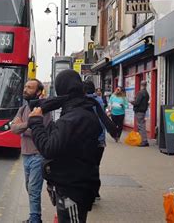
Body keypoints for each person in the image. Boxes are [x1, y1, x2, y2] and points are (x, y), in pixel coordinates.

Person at [28, 70, 107, 223]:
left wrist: (36, 123)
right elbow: (64, 142)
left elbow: (49, 148)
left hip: (72, 189)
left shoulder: (73, 118)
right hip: (76, 184)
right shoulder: (82, 110)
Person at [11, 79, 51, 223]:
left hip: (37, 155)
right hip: (26, 154)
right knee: (29, 188)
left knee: (33, 189)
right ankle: (35, 217)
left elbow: (40, 132)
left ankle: (35, 220)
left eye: (30, 87)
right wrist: (30, 123)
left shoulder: (43, 109)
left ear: (38, 92)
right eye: (25, 86)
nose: (25, 89)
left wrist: (22, 126)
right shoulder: (23, 109)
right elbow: (13, 129)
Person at [83, 81, 119, 202]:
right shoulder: (98, 100)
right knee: (95, 166)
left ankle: (88, 192)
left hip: (87, 139)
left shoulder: (82, 101)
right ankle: (95, 192)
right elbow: (103, 118)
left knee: (86, 166)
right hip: (100, 139)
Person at [130, 81, 150, 147]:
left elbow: (137, 103)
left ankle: (144, 141)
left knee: (141, 126)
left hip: (139, 111)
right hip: (143, 111)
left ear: (141, 85)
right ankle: (143, 140)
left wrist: (131, 102)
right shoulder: (146, 93)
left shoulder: (140, 93)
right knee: (142, 125)